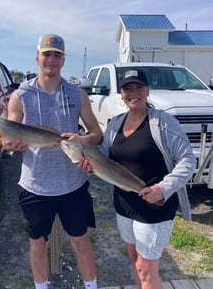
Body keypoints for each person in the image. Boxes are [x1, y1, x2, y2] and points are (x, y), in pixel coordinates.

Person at [2, 33, 103, 289]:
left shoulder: (76, 93)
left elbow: (96, 134)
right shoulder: (20, 95)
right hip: (35, 185)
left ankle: (91, 286)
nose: (51, 59)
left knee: (80, 241)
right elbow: (8, 137)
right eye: (46, 54)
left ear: (63, 60)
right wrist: (9, 143)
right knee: (38, 243)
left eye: (57, 55)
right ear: (37, 58)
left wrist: (82, 140)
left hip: (73, 184)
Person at [80, 68, 196, 289]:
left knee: (146, 268)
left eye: (138, 87)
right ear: (121, 93)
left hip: (154, 206)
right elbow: (104, 158)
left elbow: (187, 160)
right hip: (124, 205)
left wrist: (162, 188)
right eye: (127, 88)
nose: (133, 93)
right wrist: (88, 163)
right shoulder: (115, 124)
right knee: (134, 259)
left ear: (147, 90)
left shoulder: (164, 122)